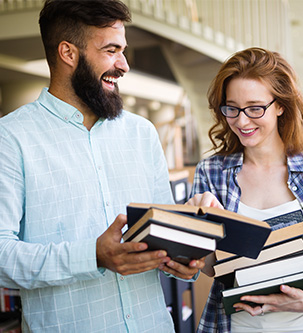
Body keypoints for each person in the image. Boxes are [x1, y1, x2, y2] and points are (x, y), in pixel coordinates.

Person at [0, 1, 204, 332]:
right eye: (111, 50)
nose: (123, 65)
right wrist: (92, 256)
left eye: (122, 50)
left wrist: (182, 260)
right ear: (68, 53)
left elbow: (163, 234)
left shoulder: (142, 134)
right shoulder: (11, 139)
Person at [187, 47, 303, 332]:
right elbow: (209, 268)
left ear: (280, 105)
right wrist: (193, 232)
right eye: (232, 108)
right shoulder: (211, 172)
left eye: (255, 108)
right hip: (236, 326)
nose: (241, 121)